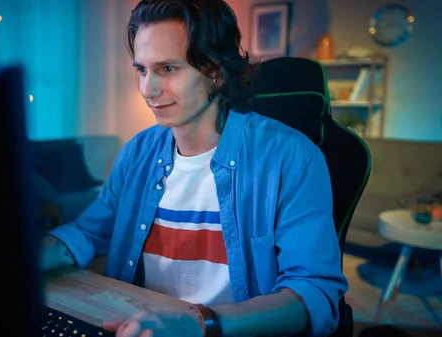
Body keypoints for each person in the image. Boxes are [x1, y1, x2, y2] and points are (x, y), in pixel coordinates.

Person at [40, 0, 348, 336]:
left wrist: (204, 324)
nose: (148, 89)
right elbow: (89, 231)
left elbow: (316, 294)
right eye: (142, 70)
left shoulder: (291, 158)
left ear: (215, 72)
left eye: (167, 69)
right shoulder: (138, 152)